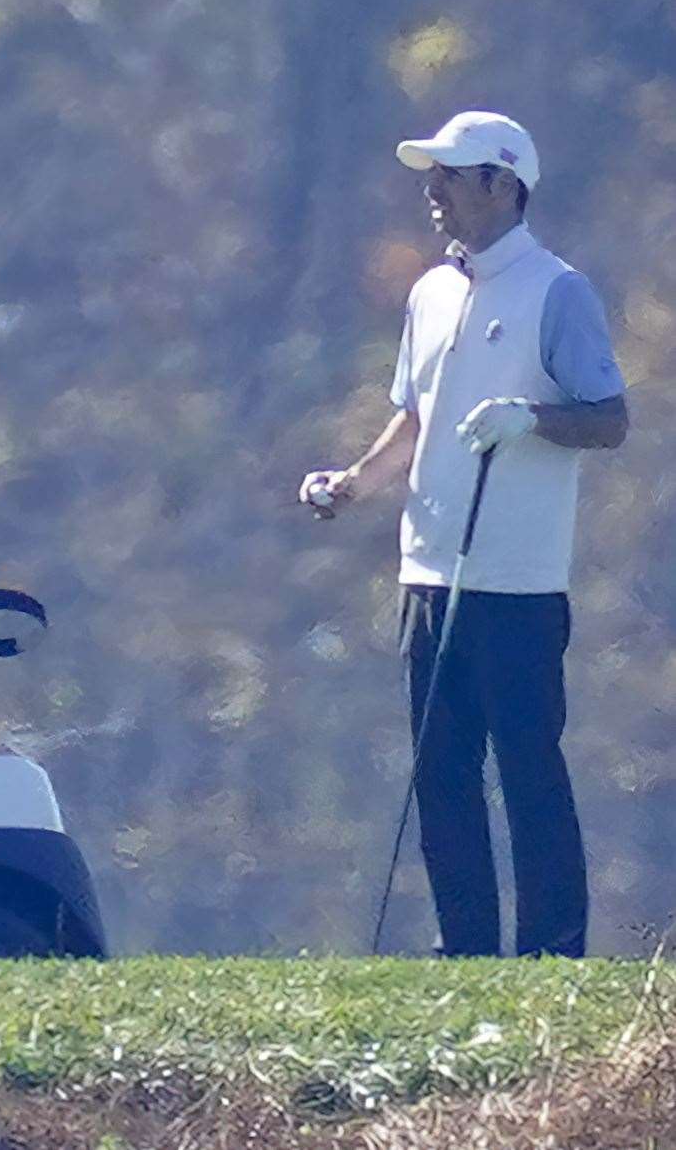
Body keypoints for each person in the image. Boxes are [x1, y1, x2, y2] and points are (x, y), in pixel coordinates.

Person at [298, 111, 627, 957]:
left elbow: (607, 419)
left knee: (526, 772)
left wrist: (529, 419)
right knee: (440, 774)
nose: (431, 189)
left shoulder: (557, 291)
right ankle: (466, 947)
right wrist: (353, 484)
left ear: (503, 182)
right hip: (430, 569)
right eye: (431, 173)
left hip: (516, 581)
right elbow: (414, 418)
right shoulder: (430, 292)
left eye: (451, 173)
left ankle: (551, 948)